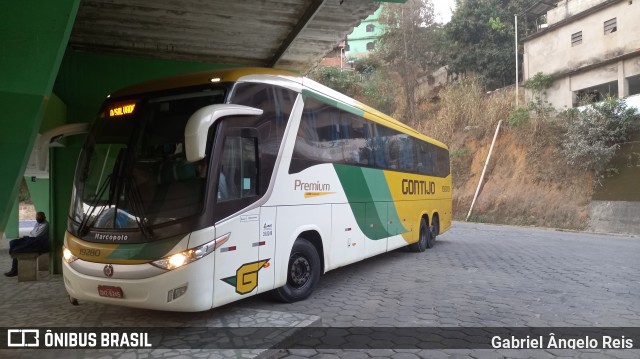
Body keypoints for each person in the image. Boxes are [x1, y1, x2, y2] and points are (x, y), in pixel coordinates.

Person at [4, 211, 50, 277]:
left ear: (43, 217)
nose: (37, 218)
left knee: (16, 250)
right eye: (36, 217)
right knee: (12, 242)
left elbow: (36, 235)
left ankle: (14, 270)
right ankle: (12, 258)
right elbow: (32, 232)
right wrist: (31, 234)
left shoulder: (45, 225)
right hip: (31, 239)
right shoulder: (37, 223)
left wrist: (32, 234)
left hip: (37, 242)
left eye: (38, 217)